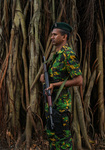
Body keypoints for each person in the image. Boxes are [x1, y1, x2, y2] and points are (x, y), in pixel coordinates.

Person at [40, 22, 83, 150]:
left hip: (62, 106)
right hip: (52, 104)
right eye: (51, 35)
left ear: (64, 37)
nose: (51, 37)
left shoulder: (67, 54)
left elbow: (79, 80)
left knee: (63, 139)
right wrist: (44, 78)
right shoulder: (56, 55)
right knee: (52, 137)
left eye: (55, 35)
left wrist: (55, 85)